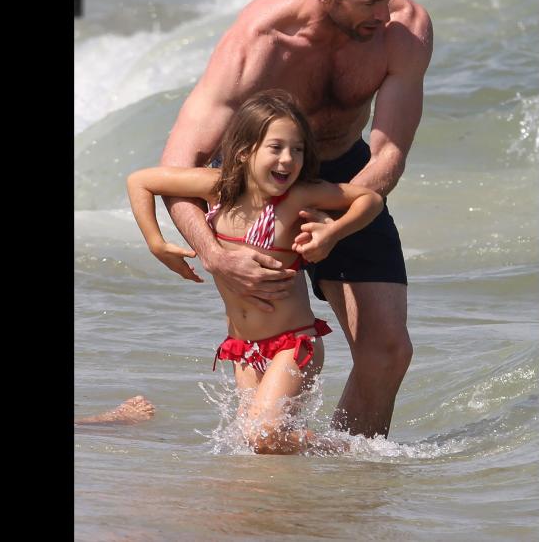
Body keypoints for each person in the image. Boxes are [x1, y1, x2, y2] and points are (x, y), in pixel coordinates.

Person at [157, 0, 434, 438]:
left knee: (388, 351)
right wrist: (216, 255)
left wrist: (335, 226)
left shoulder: (405, 30)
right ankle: (275, 477)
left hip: (344, 176)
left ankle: (345, 480)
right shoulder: (262, 39)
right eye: (369, 3)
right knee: (268, 357)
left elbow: (390, 150)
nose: (385, 13)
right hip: (252, 184)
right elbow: (180, 167)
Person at [123, 90, 382, 454]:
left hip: (294, 345)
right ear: (245, 151)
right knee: (255, 448)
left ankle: (348, 451)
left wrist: (331, 234)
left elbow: (370, 199)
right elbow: (140, 181)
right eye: (276, 147)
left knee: (263, 436)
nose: (288, 159)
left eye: (298, 150)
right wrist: (157, 243)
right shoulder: (219, 190)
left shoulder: (298, 197)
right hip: (243, 349)